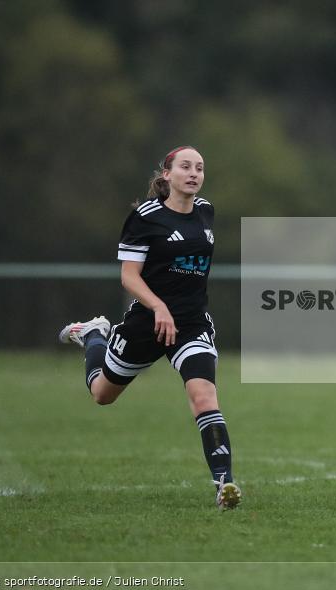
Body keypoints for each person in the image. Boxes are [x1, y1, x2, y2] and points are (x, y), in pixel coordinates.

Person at [58, 146, 241, 510]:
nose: (193, 173)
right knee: (102, 394)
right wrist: (158, 306)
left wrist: (178, 308)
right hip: (147, 323)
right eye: (185, 167)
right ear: (167, 174)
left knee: (204, 396)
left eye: (200, 168)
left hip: (191, 324)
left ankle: (225, 486)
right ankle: (94, 334)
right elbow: (129, 276)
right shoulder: (145, 217)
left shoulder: (206, 211)